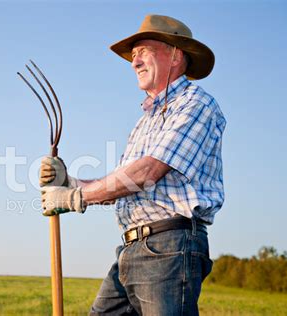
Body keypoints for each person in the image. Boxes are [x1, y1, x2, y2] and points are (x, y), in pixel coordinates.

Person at [39, 15, 226, 315]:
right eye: (133, 56)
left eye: (143, 52)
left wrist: (76, 198)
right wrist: (71, 183)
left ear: (176, 55)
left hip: (169, 249)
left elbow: (149, 171)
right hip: (131, 249)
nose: (134, 62)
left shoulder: (196, 104)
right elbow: (122, 183)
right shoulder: (144, 123)